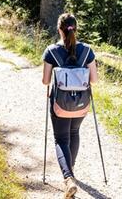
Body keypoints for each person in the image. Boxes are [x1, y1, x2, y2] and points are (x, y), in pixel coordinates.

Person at [42, 12, 98, 198]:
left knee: (61, 139)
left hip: (60, 103)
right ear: (76, 28)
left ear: (59, 29)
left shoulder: (51, 51)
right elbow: (94, 80)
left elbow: (45, 81)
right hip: (81, 103)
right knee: (74, 133)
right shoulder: (87, 51)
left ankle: (68, 177)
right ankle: (70, 172)